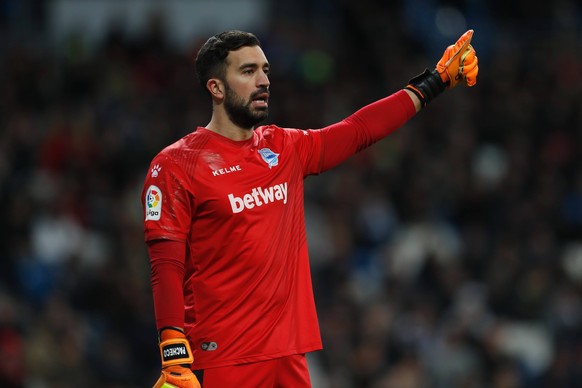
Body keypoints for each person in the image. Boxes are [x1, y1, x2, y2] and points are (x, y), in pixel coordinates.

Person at [142, 29, 478, 388]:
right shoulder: (177, 164)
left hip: (290, 356)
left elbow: (358, 130)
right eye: (248, 71)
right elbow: (167, 262)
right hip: (222, 357)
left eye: (266, 70)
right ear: (216, 88)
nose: (263, 81)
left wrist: (435, 81)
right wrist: (173, 350)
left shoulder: (284, 148)